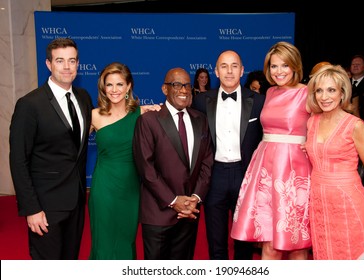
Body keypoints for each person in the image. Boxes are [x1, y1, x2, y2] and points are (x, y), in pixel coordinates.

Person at [9, 38, 93, 259]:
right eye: (60, 60)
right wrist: (32, 209)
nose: (66, 66)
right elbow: (18, 160)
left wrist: (139, 111)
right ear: (48, 64)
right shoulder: (30, 104)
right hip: (45, 206)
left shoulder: (83, 98)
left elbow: (104, 120)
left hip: (76, 202)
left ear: (78, 64)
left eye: (72, 60)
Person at [230, 41, 312, 260]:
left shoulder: (308, 93)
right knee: (270, 240)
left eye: (284, 65)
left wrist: (312, 143)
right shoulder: (271, 92)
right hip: (266, 167)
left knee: (297, 243)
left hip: (295, 169)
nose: (279, 72)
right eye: (274, 66)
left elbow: (324, 123)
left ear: (295, 66)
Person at [133, 67, 213, 260]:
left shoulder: (200, 120)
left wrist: (195, 197)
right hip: (159, 214)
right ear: (164, 89)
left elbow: (207, 162)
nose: (183, 90)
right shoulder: (148, 120)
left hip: (189, 214)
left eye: (186, 85)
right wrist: (174, 201)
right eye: (176, 85)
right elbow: (146, 168)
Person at [192, 50, 265, 260]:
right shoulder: (201, 101)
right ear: (216, 71)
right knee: (216, 240)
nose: (229, 71)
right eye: (224, 66)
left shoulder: (259, 102)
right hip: (214, 177)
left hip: (246, 176)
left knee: (243, 240)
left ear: (242, 70)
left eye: (234, 66)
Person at [305, 64, 364, 259]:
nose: (324, 96)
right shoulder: (312, 121)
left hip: (347, 202)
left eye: (331, 90)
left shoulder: (355, 125)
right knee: (324, 257)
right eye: (319, 91)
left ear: (342, 93)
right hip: (319, 202)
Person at [88, 62, 160, 259]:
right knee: (103, 242)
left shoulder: (142, 114)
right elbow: (69, 147)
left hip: (131, 188)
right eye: (109, 85)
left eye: (119, 84)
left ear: (129, 86)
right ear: (103, 88)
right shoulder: (94, 115)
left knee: (126, 241)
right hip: (104, 188)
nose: (114, 90)